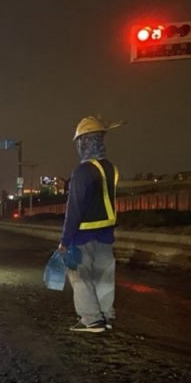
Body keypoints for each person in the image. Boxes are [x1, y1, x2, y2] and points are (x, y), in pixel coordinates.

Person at [59, 116, 122, 333]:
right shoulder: (111, 169)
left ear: (83, 142)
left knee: (80, 276)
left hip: (82, 236)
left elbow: (74, 210)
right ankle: (106, 315)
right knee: (104, 276)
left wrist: (65, 241)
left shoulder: (82, 172)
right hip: (105, 235)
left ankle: (91, 319)